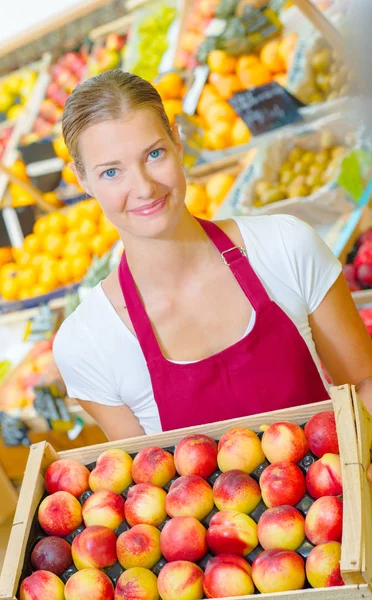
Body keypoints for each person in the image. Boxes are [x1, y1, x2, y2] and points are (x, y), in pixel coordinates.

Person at [53, 69, 372, 441]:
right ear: (82, 181)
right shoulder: (88, 343)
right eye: (111, 172)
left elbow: (364, 383)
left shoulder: (285, 246)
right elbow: (143, 481)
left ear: (177, 142)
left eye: (154, 154)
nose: (143, 187)